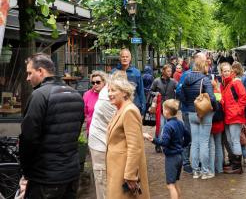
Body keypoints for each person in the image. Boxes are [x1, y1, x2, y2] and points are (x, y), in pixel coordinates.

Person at [19, 53, 84, 198]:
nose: (27, 78)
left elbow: (28, 138)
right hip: (71, 174)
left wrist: (26, 172)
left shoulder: (39, 95)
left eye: (30, 73)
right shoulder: (76, 95)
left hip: (46, 178)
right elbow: (75, 132)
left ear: (41, 71)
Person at [106, 76, 150, 199]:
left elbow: (134, 146)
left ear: (125, 92)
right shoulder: (120, 109)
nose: (109, 94)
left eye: (113, 90)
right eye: (108, 91)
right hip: (117, 169)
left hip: (123, 170)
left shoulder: (128, 111)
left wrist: (130, 175)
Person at [143, 99, 190, 199]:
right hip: (180, 156)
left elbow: (164, 142)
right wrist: (182, 145)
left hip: (171, 158)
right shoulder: (180, 122)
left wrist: (151, 139)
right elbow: (188, 136)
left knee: (170, 185)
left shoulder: (168, 126)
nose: (162, 111)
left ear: (167, 111)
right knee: (176, 182)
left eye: (163, 109)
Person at [180, 56, 216, 179]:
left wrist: (189, 104)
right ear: (202, 66)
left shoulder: (186, 78)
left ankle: (196, 171)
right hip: (204, 113)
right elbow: (211, 98)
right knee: (204, 142)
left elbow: (181, 94)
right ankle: (205, 172)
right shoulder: (205, 80)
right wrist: (215, 108)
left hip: (191, 113)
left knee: (194, 143)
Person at [88, 71, 122, 199]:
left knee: (108, 177)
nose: (95, 85)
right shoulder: (105, 100)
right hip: (100, 144)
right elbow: (118, 123)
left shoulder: (108, 95)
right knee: (102, 178)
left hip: (105, 142)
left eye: (98, 82)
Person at [220, 62, 246, 174]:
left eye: (228, 70)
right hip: (228, 116)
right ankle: (234, 163)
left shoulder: (235, 82)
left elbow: (244, 97)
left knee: (235, 140)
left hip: (234, 117)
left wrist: (237, 111)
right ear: (221, 72)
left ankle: (237, 166)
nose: (226, 72)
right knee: (230, 140)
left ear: (231, 71)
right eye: (224, 71)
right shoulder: (226, 84)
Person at [151, 64, 178, 152]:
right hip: (160, 108)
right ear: (163, 71)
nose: (170, 73)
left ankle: (167, 143)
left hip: (170, 108)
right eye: (168, 71)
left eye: (171, 71)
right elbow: (150, 91)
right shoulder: (156, 81)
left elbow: (180, 89)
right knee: (161, 126)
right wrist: (156, 94)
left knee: (169, 126)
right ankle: (158, 144)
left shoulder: (173, 82)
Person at [111, 48, 146, 113]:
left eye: (127, 57)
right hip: (117, 107)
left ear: (130, 58)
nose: (125, 58)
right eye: (123, 57)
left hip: (134, 106)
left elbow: (140, 91)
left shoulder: (136, 73)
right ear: (120, 58)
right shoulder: (113, 73)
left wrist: (143, 108)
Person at [231, 61, 246, 164]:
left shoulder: (232, 79)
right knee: (242, 122)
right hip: (242, 104)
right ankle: (243, 135)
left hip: (233, 105)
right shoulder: (244, 77)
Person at [210, 78, 225, 175]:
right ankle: (219, 168)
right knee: (219, 145)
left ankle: (211, 169)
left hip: (211, 123)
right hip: (219, 122)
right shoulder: (219, 93)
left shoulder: (207, 94)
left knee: (211, 146)